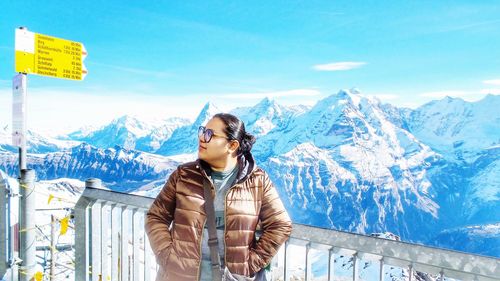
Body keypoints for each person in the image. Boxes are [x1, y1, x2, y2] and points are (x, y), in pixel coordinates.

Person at [145, 113, 292, 281]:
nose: (202, 138)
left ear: (232, 145)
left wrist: (250, 264)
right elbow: (156, 217)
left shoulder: (257, 181)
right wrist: (168, 258)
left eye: (210, 135)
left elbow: (280, 224)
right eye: (202, 131)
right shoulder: (183, 176)